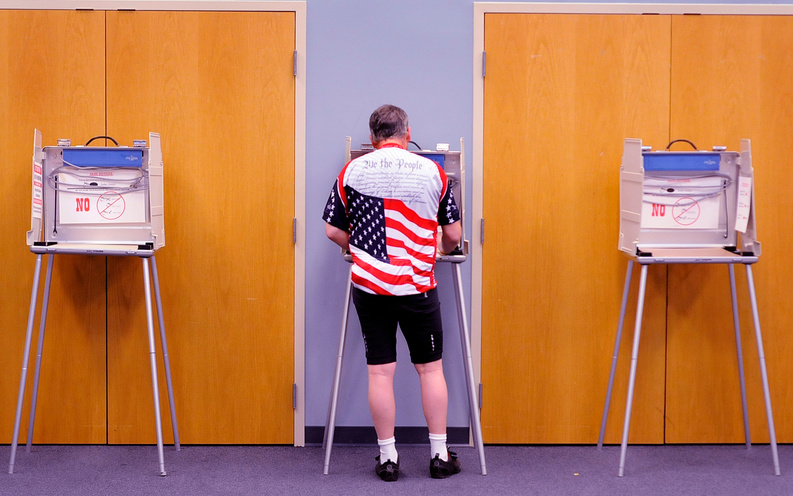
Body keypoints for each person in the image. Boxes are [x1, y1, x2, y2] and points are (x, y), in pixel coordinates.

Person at [323, 104, 463, 481]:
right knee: (430, 368)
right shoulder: (433, 171)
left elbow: (333, 231)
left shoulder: (351, 170)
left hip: (370, 287)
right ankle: (439, 455)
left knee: (380, 372)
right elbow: (453, 235)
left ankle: (388, 459)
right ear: (407, 132)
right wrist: (437, 251)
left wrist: (365, 247)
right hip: (417, 285)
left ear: (372, 138)